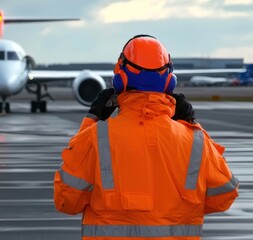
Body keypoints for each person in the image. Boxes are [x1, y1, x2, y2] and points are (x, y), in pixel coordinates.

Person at [53, 35, 239, 240]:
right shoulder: (195, 142)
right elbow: (223, 197)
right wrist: (193, 125)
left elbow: (66, 201)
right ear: (169, 80)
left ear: (120, 78)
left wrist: (90, 121)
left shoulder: (96, 138)